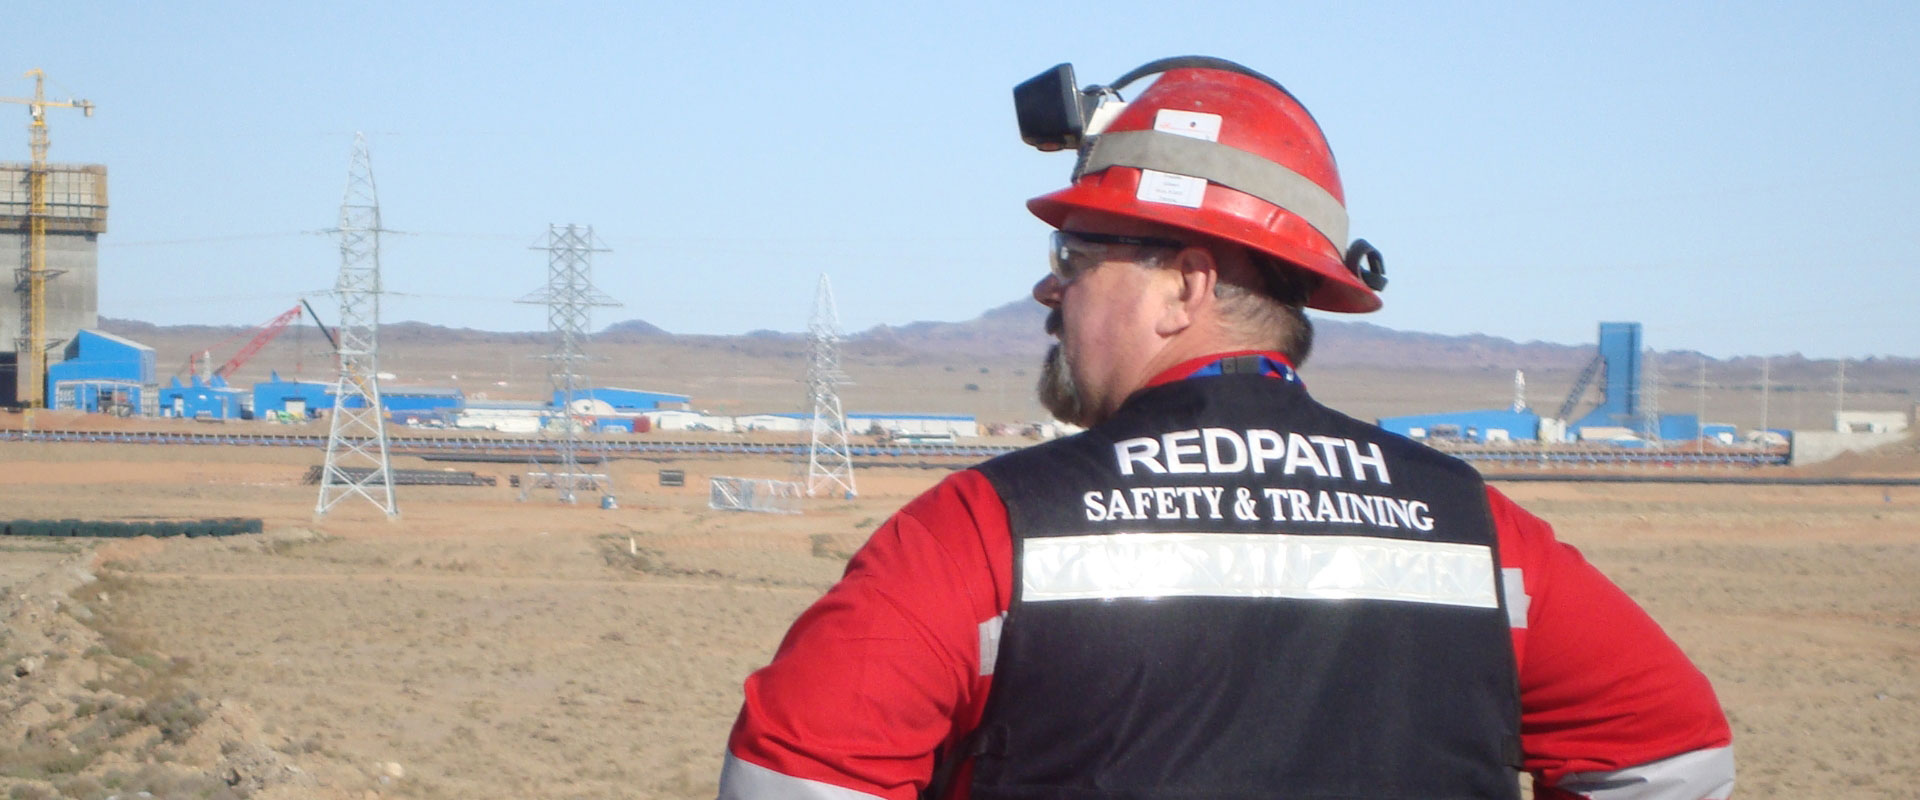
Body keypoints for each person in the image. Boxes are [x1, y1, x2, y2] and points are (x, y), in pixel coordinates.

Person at [718, 57, 1733, 800]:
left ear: (1187, 285)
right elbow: (1675, 756)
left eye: (1078, 255)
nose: (1047, 286)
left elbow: (795, 775)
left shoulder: (983, 531)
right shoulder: (1479, 531)